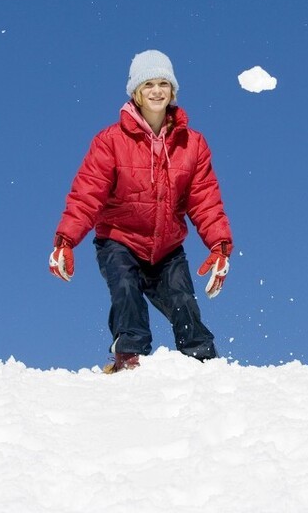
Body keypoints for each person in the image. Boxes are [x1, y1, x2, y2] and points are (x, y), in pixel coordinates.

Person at [48, 49, 235, 374]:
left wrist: (219, 245)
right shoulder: (110, 141)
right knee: (126, 291)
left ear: (173, 91)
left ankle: (204, 366)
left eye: (164, 83)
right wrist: (66, 241)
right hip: (119, 241)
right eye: (149, 84)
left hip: (166, 248)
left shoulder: (192, 144)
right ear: (136, 91)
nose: (157, 91)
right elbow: (87, 194)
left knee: (184, 303)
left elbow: (204, 198)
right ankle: (128, 359)